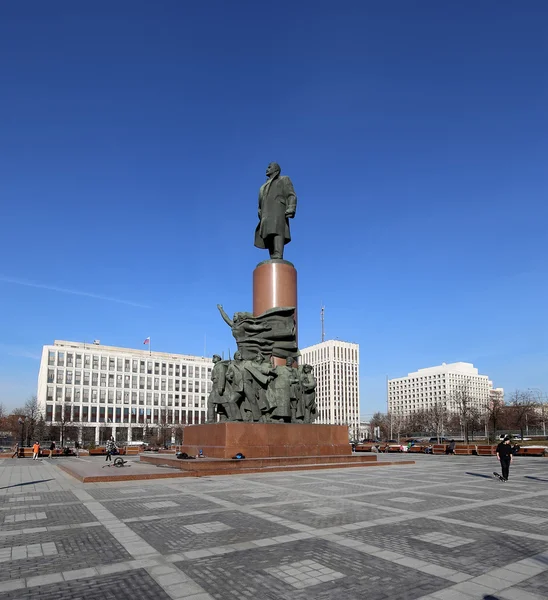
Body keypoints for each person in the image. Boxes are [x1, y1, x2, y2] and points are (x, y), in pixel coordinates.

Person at [254, 162, 297, 260]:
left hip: (278, 210)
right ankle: (273, 256)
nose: (267, 169)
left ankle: (278, 253)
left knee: (277, 231)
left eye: (269, 167)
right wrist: (260, 212)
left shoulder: (283, 179)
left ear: (276, 170)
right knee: (268, 234)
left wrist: (291, 207)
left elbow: (291, 194)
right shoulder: (262, 187)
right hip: (265, 213)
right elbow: (260, 202)